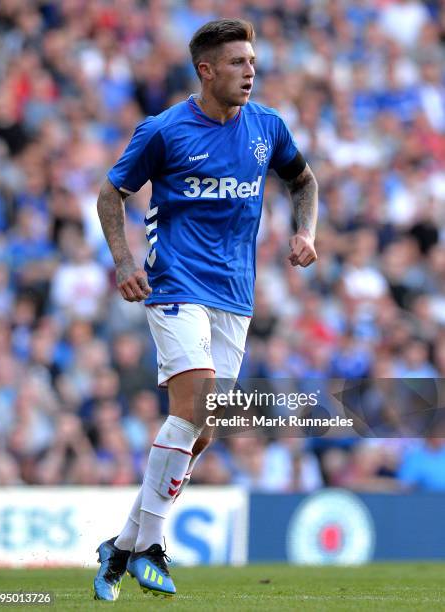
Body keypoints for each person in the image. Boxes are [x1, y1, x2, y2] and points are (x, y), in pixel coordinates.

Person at [93, 18, 318, 601]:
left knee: (204, 429)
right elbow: (110, 192)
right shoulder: (164, 130)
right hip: (174, 284)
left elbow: (304, 180)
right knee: (191, 405)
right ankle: (150, 548)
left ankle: (120, 545)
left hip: (234, 296)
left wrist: (306, 231)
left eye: (253, 60)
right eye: (238, 62)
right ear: (206, 70)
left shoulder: (267, 126)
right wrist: (124, 263)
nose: (250, 70)